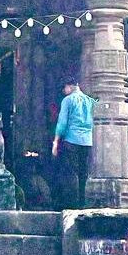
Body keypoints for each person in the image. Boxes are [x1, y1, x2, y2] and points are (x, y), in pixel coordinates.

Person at [52, 77, 95, 209]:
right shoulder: (89, 100)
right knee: (83, 173)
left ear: (69, 86)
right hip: (87, 141)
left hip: (72, 139)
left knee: (70, 172)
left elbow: (62, 122)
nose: (64, 91)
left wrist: (56, 141)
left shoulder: (68, 100)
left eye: (64, 88)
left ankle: (71, 203)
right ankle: (83, 203)